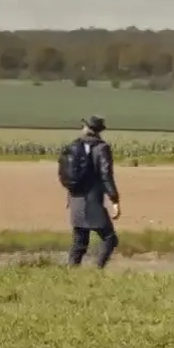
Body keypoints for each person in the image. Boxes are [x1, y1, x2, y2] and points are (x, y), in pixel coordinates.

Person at [64, 115, 121, 268]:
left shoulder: (75, 146)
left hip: (75, 199)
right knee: (110, 238)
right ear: (99, 131)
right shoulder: (102, 148)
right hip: (92, 200)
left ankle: (70, 272)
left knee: (79, 241)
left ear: (86, 128)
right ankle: (98, 269)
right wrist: (115, 200)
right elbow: (106, 175)